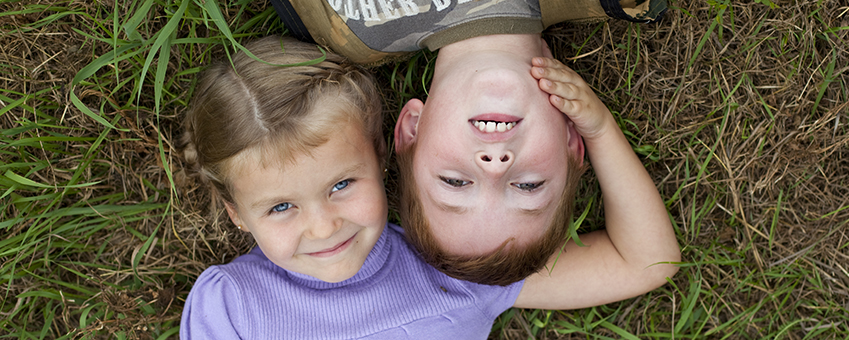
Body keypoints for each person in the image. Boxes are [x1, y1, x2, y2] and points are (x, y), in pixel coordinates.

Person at [179, 35, 679, 338]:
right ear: (237, 214)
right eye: (281, 206)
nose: (322, 226)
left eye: (342, 184)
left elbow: (643, 261)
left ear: (381, 154)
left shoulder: (459, 263)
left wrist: (598, 131)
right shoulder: (233, 307)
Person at [270, 0, 669, 285]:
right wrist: (598, 127)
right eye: (528, 186)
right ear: (570, 140)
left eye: (455, 182)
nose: (494, 165)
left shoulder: (350, 26)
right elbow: (652, 262)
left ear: (411, 130)